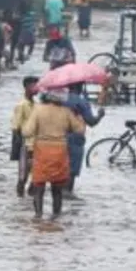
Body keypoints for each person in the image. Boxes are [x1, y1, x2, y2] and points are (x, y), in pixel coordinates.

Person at [22, 89, 85, 218]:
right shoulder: (66, 112)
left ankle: (38, 216)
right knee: (57, 188)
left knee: (39, 186)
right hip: (60, 152)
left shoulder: (38, 110)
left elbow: (27, 132)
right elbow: (80, 130)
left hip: (42, 151)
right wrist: (79, 116)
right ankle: (56, 217)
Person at [64, 82, 105, 196]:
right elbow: (91, 121)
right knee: (71, 171)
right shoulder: (81, 101)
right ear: (79, 87)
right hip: (75, 138)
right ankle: (68, 196)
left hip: (58, 137)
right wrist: (100, 115)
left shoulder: (59, 100)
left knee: (60, 169)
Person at [10, 76, 39, 197]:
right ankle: (20, 198)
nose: (36, 88)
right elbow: (15, 127)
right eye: (33, 85)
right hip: (25, 144)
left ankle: (28, 203)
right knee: (23, 176)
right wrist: (17, 148)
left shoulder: (37, 105)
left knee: (36, 177)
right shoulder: (21, 105)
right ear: (26, 87)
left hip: (37, 144)